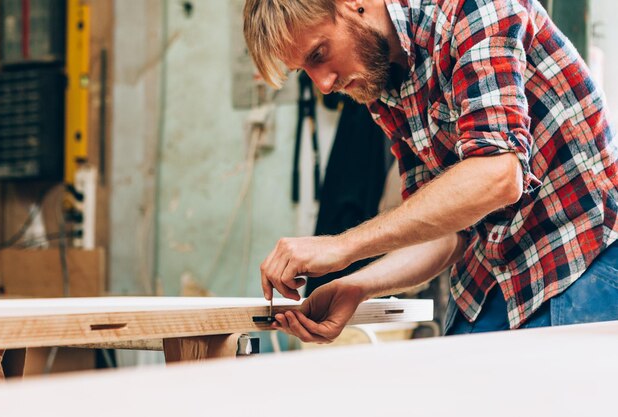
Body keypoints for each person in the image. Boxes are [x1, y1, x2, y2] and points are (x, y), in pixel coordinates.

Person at [243, 0, 618, 343]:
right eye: (305, 70)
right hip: (492, 280)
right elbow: (443, 230)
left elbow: (499, 176)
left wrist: (341, 247)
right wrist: (356, 286)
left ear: (354, 4)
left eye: (319, 54)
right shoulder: (385, 86)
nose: (323, 84)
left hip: (583, 255)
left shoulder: (474, 9)